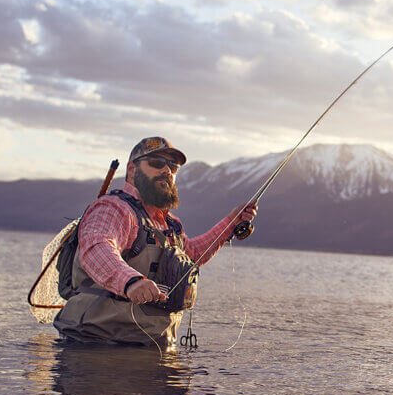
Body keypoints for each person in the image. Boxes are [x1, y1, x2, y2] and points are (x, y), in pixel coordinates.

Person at [53, 136, 256, 348]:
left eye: (173, 166)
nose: (167, 171)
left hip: (150, 349)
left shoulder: (170, 224)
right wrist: (131, 282)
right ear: (132, 170)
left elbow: (192, 254)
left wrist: (231, 222)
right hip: (94, 346)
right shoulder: (113, 209)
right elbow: (97, 247)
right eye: (157, 163)